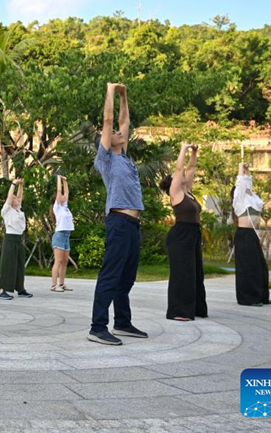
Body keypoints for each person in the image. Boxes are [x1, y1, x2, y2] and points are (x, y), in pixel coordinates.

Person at [88, 82, 147, 346]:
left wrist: (125, 95)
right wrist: (110, 90)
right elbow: (109, 119)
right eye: (112, 133)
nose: (117, 132)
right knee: (111, 275)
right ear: (105, 140)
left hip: (133, 225)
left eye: (118, 133)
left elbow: (123, 120)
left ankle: (122, 322)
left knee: (127, 277)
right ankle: (97, 327)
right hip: (119, 222)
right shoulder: (106, 159)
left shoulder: (124, 157)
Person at [159, 142, 208, 321]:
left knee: (196, 272)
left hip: (193, 234)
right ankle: (178, 311)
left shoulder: (188, 192)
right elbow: (179, 169)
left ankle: (195, 308)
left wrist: (194, 151)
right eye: (177, 177)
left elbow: (191, 167)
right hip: (180, 235)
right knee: (182, 273)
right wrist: (183, 148)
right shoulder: (175, 193)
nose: (181, 176)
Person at [232, 162, 271, 306]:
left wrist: (247, 170)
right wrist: (240, 167)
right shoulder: (239, 200)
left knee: (261, 267)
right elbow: (241, 182)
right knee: (249, 268)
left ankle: (262, 296)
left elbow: (247, 182)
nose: (246, 188)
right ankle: (248, 298)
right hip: (244, 235)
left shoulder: (252, 197)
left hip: (252, 235)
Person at [0, 178, 32, 300]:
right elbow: (9, 198)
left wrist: (21, 186)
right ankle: (3, 290)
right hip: (10, 239)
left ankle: (20, 289)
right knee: (8, 265)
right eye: (14, 198)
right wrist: (14, 183)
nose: (16, 199)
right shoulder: (6, 210)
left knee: (19, 265)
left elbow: (20, 196)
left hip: (19, 239)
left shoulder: (18, 210)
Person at [50, 175, 74, 293]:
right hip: (59, 235)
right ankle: (54, 285)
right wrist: (58, 178)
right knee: (58, 261)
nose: (64, 197)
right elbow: (59, 191)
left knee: (64, 261)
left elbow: (66, 191)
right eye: (61, 196)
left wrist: (65, 180)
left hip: (66, 235)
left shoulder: (65, 207)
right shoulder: (57, 207)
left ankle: (62, 283)